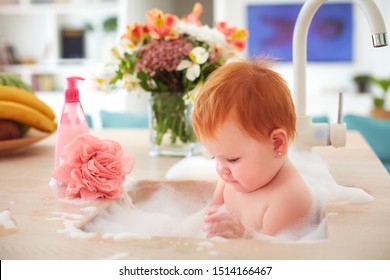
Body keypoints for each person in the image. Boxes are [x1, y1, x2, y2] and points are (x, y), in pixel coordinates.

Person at [191, 59, 312, 239]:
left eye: (232, 159)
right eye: (214, 157)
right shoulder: (232, 177)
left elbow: (271, 257)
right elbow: (206, 215)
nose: (221, 170)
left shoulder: (288, 200)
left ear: (277, 143)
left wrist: (243, 235)